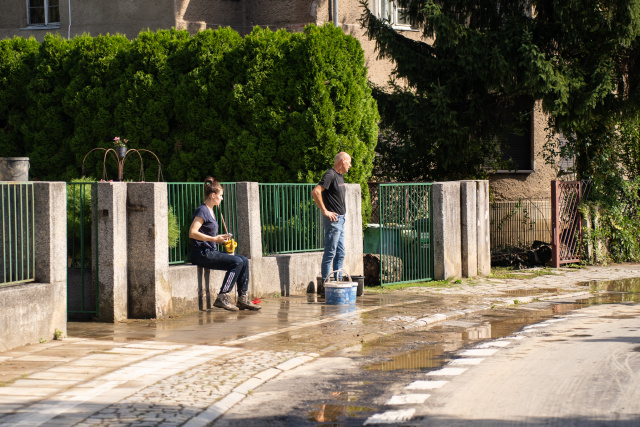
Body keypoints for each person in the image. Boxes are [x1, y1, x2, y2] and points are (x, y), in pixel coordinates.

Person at [189, 177, 261, 311]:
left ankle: (242, 298)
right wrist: (215, 239)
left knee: (244, 260)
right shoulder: (202, 210)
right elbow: (192, 233)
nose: (222, 198)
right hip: (201, 253)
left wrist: (221, 240)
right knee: (237, 262)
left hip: (210, 251)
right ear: (213, 195)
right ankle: (222, 296)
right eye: (220, 196)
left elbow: (209, 236)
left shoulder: (211, 211)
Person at [311, 152, 352, 284]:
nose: (350, 165)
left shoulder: (340, 177)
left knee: (340, 253)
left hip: (340, 220)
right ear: (342, 161)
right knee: (330, 253)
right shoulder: (330, 174)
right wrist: (325, 211)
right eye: (349, 162)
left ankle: (338, 281)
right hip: (333, 221)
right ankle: (325, 283)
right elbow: (316, 191)